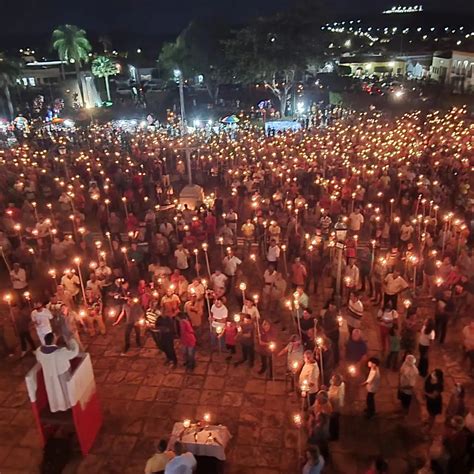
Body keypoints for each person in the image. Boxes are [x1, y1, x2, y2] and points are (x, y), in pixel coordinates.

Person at [35, 332, 80, 412]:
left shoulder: (39, 351)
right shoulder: (61, 352)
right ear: (53, 340)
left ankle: (55, 407)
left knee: (53, 392)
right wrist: (72, 341)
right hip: (62, 375)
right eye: (55, 337)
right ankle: (67, 406)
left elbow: (39, 359)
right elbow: (74, 352)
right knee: (64, 391)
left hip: (49, 377)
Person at [328, 374, 345, 440]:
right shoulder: (336, 385)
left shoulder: (339, 391)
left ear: (337, 381)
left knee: (334, 423)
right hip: (333, 408)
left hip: (335, 409)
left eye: (333, 380)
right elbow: (331, 385)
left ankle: (334, 436)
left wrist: (327, 395)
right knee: (333, 422)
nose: (332, 381)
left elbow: (332, 397)